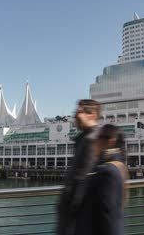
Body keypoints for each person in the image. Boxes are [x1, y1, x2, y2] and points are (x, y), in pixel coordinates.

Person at [57, 99, 101, 235]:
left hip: (78, 218)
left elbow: (82, 179)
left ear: (92, 115)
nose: (76, 116)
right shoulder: (83, 138)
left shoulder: (91, 140)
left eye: (80, 112)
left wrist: (69, 210)